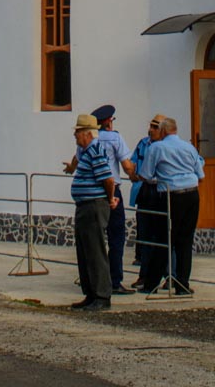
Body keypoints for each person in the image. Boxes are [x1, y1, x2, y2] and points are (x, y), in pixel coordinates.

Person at [137, 115, 205, 294]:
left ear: (164, 131)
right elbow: (201, 175)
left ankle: (151, 284)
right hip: (192, 194)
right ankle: (182, 285)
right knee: (185, 240)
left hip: (170, 195)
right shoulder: (189, 147)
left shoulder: (157, 147)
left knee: (164, 240)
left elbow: (146, 174)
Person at [67, 113, 119, 311]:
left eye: (78, 132)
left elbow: (108, 179)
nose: (75, 136)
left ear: (87, 134)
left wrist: (109, 198)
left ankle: (101, 295)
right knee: (85, 250)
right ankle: (90, 293)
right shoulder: (86, 152)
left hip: (93, 205)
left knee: (95, 250)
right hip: (85, 205)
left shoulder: (95, 150)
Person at [87, 105, 135, 293]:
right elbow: (126, 165)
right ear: (107, 121)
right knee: (116, 236)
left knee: (95, 237)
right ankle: (114, 280)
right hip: (112, 189)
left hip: (92, 191)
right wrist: (135, 175)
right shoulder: (115, 138)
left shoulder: (88, 139)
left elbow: (76, 161)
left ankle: (95, 279)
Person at [129, 114, 169, 292]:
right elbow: (132, 162)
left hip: (161, 191)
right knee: (145, 235)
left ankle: (170, 276)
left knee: (164, 236)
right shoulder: (144, 143)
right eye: (150, 126)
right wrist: (133, 175)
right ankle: (144, 275)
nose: (151, 130)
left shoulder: (170, 145)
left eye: (155, 126)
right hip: (145, 189)